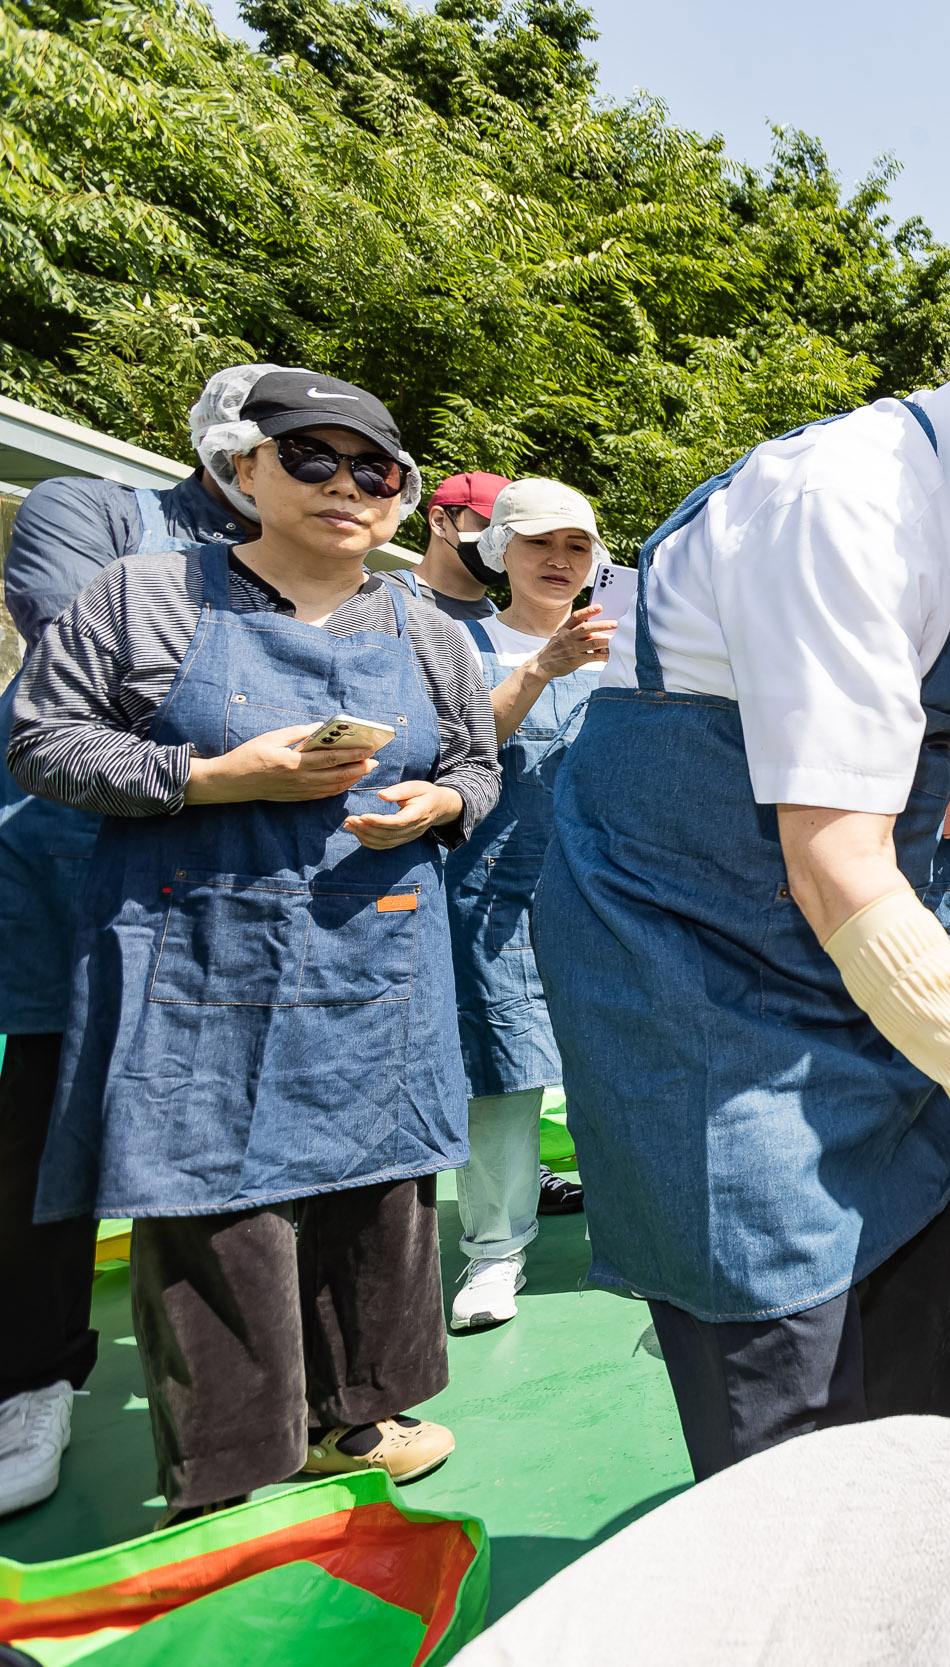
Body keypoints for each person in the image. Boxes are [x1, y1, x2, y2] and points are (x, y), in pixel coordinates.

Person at [533, 232, 950, 1481]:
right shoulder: (844, 505)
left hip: (863, 965)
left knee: (914, 1272)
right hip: (695, 955)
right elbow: (836, 860)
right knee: (784, 1329)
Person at [9, 371, 500, 1524]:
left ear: (399, 500)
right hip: (200, 946)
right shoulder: (146, 595)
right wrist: (217, 775)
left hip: (374, 950)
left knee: (377, 1184)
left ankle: (357, 1411)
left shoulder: (425, 628)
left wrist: (432, 808)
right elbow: (47, 744)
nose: (346, 486)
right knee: (212, 1193)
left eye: (374, 468)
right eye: (311, 457)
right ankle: (236, 1471)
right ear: (247, 470)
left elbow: (476, 768)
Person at [0, 364, 270, 1517]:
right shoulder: (94, 510)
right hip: (75, 862)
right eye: (282, 447)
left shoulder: (311, 556)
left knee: (231, 1124)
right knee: (43, 1123)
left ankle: (253, 1397)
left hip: (235, 880)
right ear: (217, 444)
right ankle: (30, 1375)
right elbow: (98, 673)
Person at [440, 479, 617, 1330]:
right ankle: (494, 1256)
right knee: (501, 1077)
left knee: (617, 1068)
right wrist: (545, 668)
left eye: (577, 547)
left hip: (606, 894)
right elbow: (455, 752)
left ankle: (634, 1238)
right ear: (498, 550)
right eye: (541, 544)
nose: (559, 561)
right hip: (493, 891)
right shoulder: (459, 644)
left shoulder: (629, 650)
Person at [403, 472, 512, 622]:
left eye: (510, 535)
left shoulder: (501, 626)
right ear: (440, 522)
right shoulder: (378, 595)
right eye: (489, 528)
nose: (501, 543)